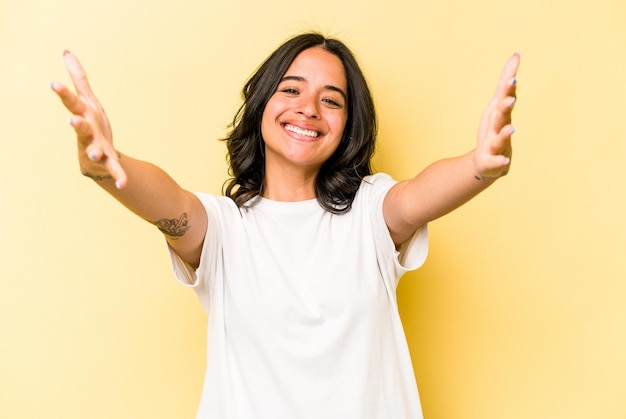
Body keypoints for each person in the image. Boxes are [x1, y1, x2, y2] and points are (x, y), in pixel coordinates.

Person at [51, 32, 519, 419]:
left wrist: (479, 165)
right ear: (261, 105)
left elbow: (420, 195)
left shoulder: (369, 216)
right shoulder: (224, 229)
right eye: (291, 89)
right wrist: (109, 169)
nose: (309, 108)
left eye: (331, 100)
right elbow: (168, 202)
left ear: (348, 125)